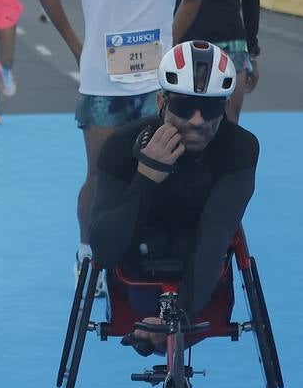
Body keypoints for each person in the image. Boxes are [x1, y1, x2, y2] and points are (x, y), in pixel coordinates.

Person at [39, 0, 203, 281]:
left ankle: (148, 255)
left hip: (157, 90)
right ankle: (86, 255)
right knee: (100, 176)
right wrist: (81, 48)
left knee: (163, 171)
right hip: (104, 89)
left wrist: (169, 45)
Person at [89, 41, 256, 345]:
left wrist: (180, 317)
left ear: (225, 108)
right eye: (183, 107)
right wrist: (146, 177)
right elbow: (103, 252)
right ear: (161, 102)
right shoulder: (120, 147)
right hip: (138, 265)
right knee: (151, 245)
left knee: (192, 242)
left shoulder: (240, 149)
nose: (196, 120)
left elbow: (215, 237)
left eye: (209, 108)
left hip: (200, 270)